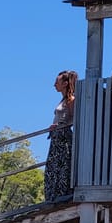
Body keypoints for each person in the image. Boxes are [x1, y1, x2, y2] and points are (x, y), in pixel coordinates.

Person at [45, 70, 77, 201]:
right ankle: (53, 195)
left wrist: (61, 124)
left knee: (62, 166)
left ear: (65, 83)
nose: (54, 84)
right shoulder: (63, 99)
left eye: (57, 82)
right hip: (56, 137)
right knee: (53, 167)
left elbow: (75, 118)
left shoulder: (71, 100)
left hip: (63, 136)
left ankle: (61, 194)